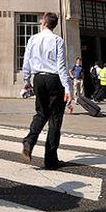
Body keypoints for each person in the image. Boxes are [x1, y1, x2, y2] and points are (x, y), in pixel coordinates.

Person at [21, 12, 72, 170]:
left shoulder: (33, 39)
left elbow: (26, 61)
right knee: (55, 119)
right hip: (54, 79)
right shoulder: (58, 40)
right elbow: (62, 66)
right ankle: (50, 160)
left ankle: (29, 141)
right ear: (54, 24)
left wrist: (26, 81)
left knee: (41, 112)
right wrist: (68, 88)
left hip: (38, 79)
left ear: (44, 22)